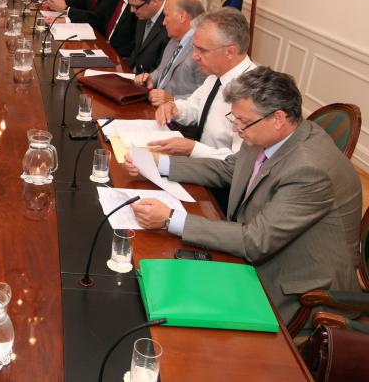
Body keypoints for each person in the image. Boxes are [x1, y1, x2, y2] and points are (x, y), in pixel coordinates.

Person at [128, 67, 362, 327]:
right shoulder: (268, 134)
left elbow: (255, 241)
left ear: (278, 118)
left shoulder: (310, 169)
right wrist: (160, 164)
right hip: (259, 246)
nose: (236, 128)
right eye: (234, 118)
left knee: (176, 313)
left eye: (242, 121)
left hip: (296, 288)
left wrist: (170, 219)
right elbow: (229, 168)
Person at [150, 7, 256, 159]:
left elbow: (239, 160)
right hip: (198, 164)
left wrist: (193, 149)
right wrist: (173, 108)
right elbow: (194, 107)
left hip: (218, 171)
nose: (194, 56)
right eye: (194, 48)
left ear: (229, 52)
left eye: (202, 50)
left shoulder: (254, 93)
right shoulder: (215, 77)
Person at [133, 0, 207, 106]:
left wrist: (173, 100)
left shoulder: (202, 49)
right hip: (154, 106)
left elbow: (205, 97)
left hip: (177, 114)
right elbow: (161, 70)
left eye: (166, 16)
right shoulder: (174, 38)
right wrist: (150, 79)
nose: (163, 22)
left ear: (182, 17)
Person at [125, 0, 170, 73]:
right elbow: (136, 52)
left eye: (136, 6)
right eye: (130, 5)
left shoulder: (170, 22)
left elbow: (160, 70)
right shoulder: (144, 12)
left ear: (154, 1)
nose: (132, 10)